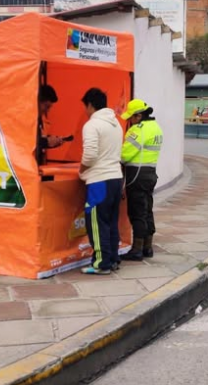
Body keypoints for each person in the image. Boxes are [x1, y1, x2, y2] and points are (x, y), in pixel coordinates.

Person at [79, 88, 124, 275]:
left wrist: (81, 169)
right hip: (116, 179)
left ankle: (101, 264)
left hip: (99, 181)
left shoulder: (92, 125)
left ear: (90, 105)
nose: (85, 111)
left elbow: (90, 155)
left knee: (97, 224)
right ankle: (112, 259)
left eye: (85, 107)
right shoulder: (116, 124)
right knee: (111, 222)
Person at [119, 99, 163, 261]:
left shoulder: (138, 130)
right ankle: (147, 247)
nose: (130, 121)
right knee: (147, 210)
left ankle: (136, 249)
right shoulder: (156, 127)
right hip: (150, 173)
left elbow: (124, 155)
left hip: (137, 174)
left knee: (137, 211)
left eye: (131, 117)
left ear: (138, 116)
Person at [36, 84, 65, 165]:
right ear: (38, 101)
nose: (47, 110)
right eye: (46, 106)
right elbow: (27, 141)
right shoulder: (26, 118)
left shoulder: (40, 119)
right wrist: (47, 141)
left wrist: (53, 141)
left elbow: (39, 138)